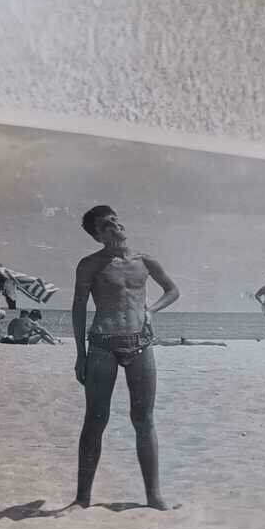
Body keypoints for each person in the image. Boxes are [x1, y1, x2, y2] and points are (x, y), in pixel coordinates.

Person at [67, 205, 180, 512]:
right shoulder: (90, 265)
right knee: (95, 420)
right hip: (102, 346)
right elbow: (78, 309)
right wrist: (80, 354)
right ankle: (82, 498)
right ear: (98, 235)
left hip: (141, 344)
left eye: (116, 220)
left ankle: (154, 497)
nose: (115, 226)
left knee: (144, 420)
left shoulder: (144, 261)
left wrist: (151, 310)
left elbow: (172, 290)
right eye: (107, 224)